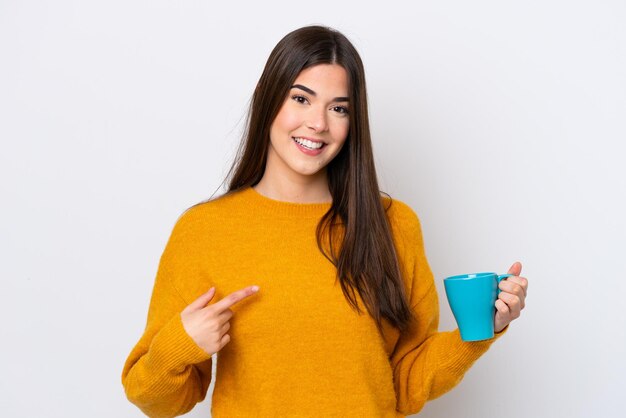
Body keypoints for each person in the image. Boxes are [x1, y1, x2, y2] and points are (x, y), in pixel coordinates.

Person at [121, 25, 528, 417]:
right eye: (301, 99)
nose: (318, 123)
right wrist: (181, 344)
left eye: (338, 108)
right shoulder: (204, 231)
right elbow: (155, 400)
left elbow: (404, 386)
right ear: (267, 100)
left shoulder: (393, 225)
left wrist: (481, 330)